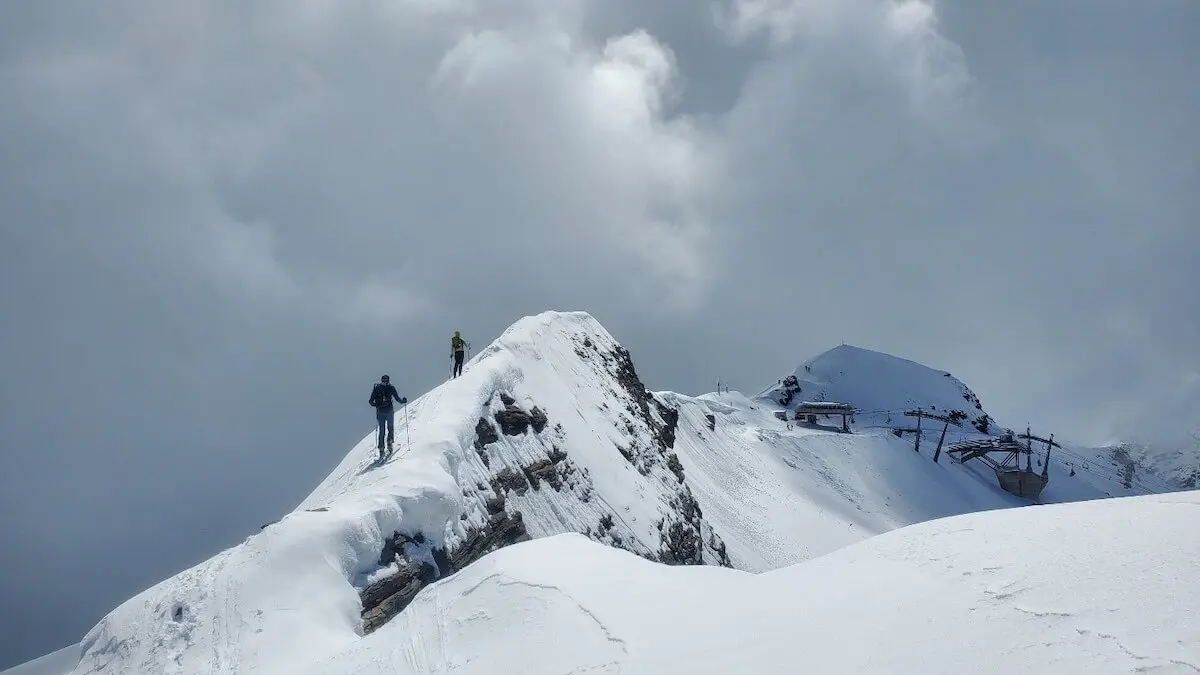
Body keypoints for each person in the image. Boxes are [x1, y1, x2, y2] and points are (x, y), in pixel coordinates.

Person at [369, 374, 406, 456]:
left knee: (382, 431)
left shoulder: (377, 388)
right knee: (390, 428)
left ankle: (381, 448)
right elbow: (397, 399)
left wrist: (377, 405)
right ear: (388, 380)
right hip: (389, 411)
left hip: (380, 412)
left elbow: (371, 402)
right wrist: (403, 401)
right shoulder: (391, 388)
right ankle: (389, 442)